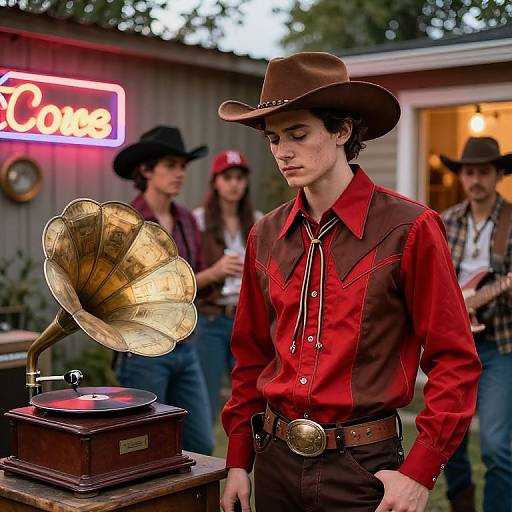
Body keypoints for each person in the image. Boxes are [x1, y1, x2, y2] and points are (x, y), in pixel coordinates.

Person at [217, 52, 482, 512]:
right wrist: (239, 460)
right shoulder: (266, 235)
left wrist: (419, 474)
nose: (283, 151)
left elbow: (455, 360)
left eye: (298, 134)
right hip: (274, 460)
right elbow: (250, 357)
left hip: (364, 467)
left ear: (342, 131)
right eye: (274, 138)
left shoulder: (409, 228)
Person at [113, 125, 241, 455]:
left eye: (183, 167)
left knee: (201, 443)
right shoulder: (129, 219)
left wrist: (212, 279)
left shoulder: (185, 219)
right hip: (143, 351)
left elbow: (193, 283)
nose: (180, 174)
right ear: (146, 170)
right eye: (170, 165)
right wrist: (212, 273)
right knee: (144, 447)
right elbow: (139, 290)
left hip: (185, 345)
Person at [440, 136, 512, 512]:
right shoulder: (445, 221)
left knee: (497, 447)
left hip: (499, 345)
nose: (476, 179)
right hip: (454, 345)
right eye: (469, 172)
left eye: (484, 171)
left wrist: (501, 291)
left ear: (499, 174)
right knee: (448, 441)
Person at [193, 150, 263, 423]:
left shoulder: (259, 220)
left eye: (240, 177)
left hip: (245, 320)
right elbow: (184, 278)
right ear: (215, 182)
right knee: (204, 400)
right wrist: (217, 271)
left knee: (251, 396)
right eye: (227, 177)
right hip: (210, 319)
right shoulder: (197, 221)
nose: (234, 184)